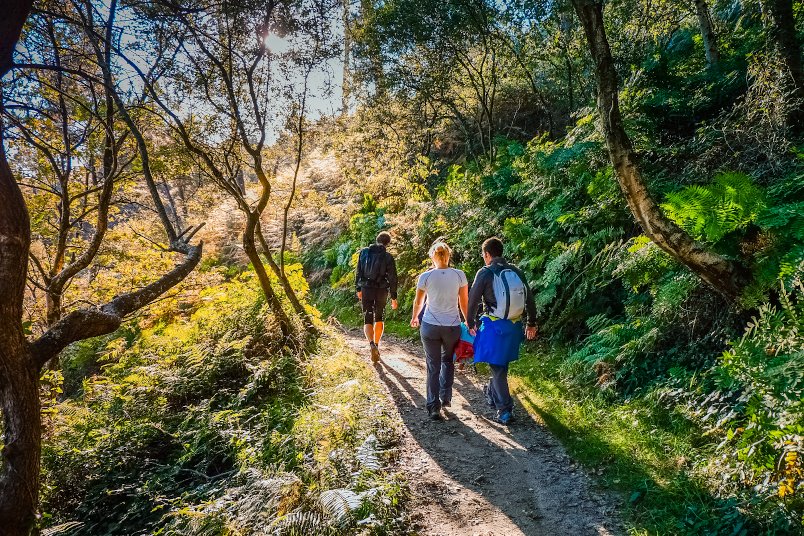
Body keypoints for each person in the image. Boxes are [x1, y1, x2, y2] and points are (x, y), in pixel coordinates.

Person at [467, 237, 537, 425]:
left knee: (497, 368)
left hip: (494, 326)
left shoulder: (485, 272)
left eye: (483, 255)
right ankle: (492, 392)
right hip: (514, 326)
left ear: (487, 254)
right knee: (501, 365)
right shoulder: (516, 271)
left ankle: (504, 410)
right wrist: (531, 322)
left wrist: (470, 321)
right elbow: (529, 299)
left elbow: (472, 300)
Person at [410, 241, 469, 421]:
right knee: (448, 361)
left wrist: (414, 317)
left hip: (430, 325)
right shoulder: (459, 275)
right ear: (448, 256)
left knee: (432, 365)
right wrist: (468, 321)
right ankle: (446, 398)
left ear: (432, 256)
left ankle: (433, 406)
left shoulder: (426, 277)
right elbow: (464, 302)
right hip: (452, 326)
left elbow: (418, 302)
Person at [356, 231, 398, 362]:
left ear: (377, 239)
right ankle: (377, 345)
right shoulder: (388, 257)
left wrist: (358, 288)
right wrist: (393, 297)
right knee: (379, 317)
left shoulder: (363, 253)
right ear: (387, 243)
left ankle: (371, 345)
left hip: (366, 289)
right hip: (381, 290)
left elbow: (358, 271)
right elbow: (392, 278)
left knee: (367, 318)